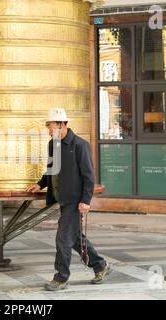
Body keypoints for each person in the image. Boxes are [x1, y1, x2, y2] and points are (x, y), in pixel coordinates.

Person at [26, 108, 111, 291]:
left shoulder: (80, 145)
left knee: (63, 239)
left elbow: (88, 176)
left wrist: (86, 201)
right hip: (62, 198)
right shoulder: (52, 145)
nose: (49, 130)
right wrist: (41, 184)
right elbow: (51, 168)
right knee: (74, 238)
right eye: (48, 127)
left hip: (75, 200)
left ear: (63, 125)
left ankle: (61, 277)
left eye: (51, 126)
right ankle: (100, 266)